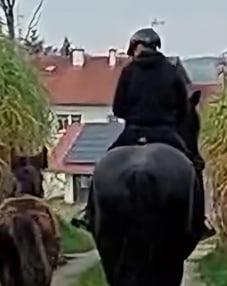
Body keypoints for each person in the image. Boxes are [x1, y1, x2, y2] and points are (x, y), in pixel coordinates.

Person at [71, 27, 215, 240]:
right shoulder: (171, 71)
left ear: (136, 47)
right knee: (193, 168)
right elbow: (183, 110)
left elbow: (118, 109)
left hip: (133, 132)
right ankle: (199, 221)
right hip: (166, 133)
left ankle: (89, 214)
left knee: (102, 165)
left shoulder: (129, 71)